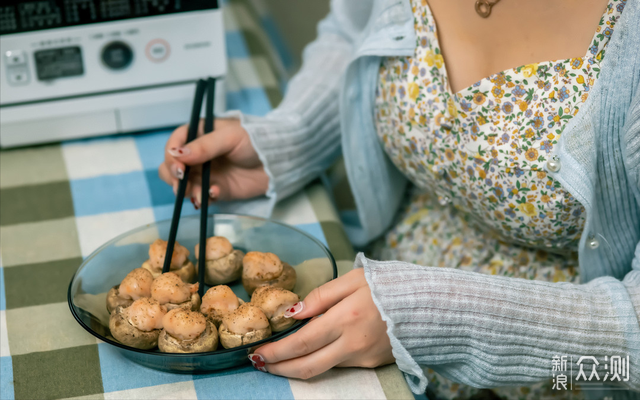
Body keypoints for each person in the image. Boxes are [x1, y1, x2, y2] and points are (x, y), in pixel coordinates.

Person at [159, 0, 640, 398]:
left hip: (569, 368)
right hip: (376, 303)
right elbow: (354, 31)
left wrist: (440, 319)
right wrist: (294, 137)